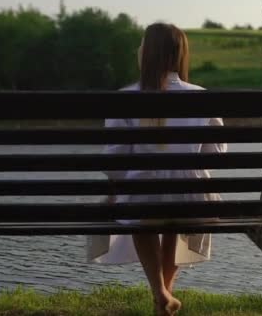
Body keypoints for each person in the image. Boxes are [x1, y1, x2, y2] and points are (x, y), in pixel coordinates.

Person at [87, 23, 227, 316]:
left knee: (142, 206)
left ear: (147, 53)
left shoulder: (124, 98)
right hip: (191, 204)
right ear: (179, 56)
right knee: (177, 203)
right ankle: (163, 295)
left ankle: (159, 293)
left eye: (140, 44)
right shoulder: (203, 97)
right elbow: (216, 155)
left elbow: (114, 162)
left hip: (142, 202)